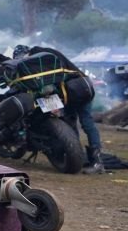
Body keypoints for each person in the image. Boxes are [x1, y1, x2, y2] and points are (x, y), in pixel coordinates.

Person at [14, 44, 105, 175]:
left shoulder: (41, 56)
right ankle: (79, 157)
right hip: (73, 90)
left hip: (76, 88)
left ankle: (97, 162)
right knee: (74, 122)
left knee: (86, 122)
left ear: (25, 53)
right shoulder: (44, 55)